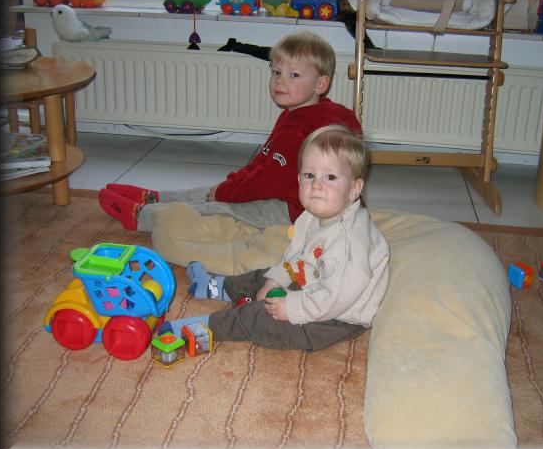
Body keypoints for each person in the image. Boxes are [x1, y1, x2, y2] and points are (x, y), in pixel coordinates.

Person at [98, 30, 362, 231]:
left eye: (293, 75)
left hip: (296, 211)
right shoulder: (296, 114)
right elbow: (264, 161)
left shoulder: (303, 128)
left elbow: (267, 181)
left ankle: (143, 216)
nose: (280, 80)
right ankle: (154, 198)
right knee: (214, 191)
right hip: (284, 194)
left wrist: (227, 193)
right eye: (276, 72)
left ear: (320, 84)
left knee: (221, 211)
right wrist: (231, 183)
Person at [159, 125, 390, 352]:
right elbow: (294, 255)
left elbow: (337, 297)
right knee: (262, 276)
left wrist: (292, 307)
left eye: (330, 177)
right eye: (309, 175)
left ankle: (203, 328)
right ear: (299, 179)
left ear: (354, 189)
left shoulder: (348, 244)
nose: (316, 185)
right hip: (314, 280)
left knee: (259, 318)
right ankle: (213, 287)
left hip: (335, 317)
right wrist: (274, 281)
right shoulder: (312, 216)